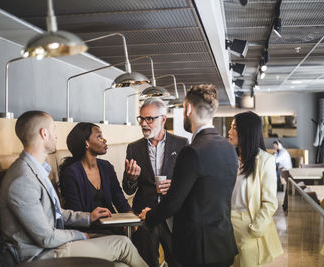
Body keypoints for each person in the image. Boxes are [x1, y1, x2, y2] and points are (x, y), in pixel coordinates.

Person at [0, 110, 147, 267]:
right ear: (44, 133)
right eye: (54, 130)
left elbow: (56, 213)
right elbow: (46, 238)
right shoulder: (22, 179)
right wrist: (82, 235)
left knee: (121, 265)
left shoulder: (37, 170)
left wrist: (88, 217)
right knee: (122, 243)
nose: (56, 136)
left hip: (53, 245)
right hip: (39, 255)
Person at [139, 84, 239, 267]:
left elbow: (174, 202)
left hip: (198, 249)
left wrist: (150, 216)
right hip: (222, 243)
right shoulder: (229, 149)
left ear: (189, 109)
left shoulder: (192, 152)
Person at [122, 97, 188, 267]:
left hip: (172, 216)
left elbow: (188, 182)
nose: (144, 123)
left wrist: (175, 186)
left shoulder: (181, 144)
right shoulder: (133, 148)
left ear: (163, 119)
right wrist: (131, 179)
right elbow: (128, 190)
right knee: (146, 263)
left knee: (177, 262)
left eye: (149, 119)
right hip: (145, 217)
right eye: (141, 118)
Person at [228, 111, 283, 267]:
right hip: (225, 225)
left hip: (248, 225)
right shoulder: (228, 157)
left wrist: (254, 229)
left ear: (247, 132)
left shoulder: (265, 161)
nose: (229, 132)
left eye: (234, 128)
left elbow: (270, 202)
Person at [59, 122, 132, 215]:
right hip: (87, 227)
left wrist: (130, 215)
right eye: (99, 137)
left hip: (111, 224)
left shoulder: (107, 167)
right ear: (86, 143)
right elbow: (75, 212)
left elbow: (119, 199)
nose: (104, 140)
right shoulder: (71, 173)